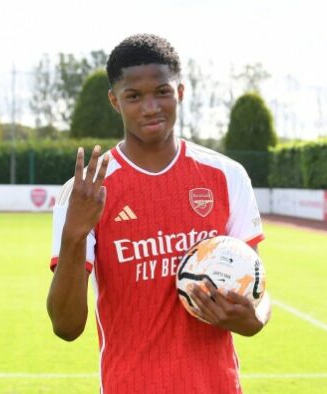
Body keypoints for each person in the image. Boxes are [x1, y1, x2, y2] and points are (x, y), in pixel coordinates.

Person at [47, 34, 271, 394]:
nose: (150, 107)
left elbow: (256, 294)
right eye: (134, 96)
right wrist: (74, 234)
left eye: (162, 92)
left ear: (180, 92)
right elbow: (66, 326)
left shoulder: (227, 176)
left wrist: (254, 318)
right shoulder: (86, 192)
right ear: (114, 101)